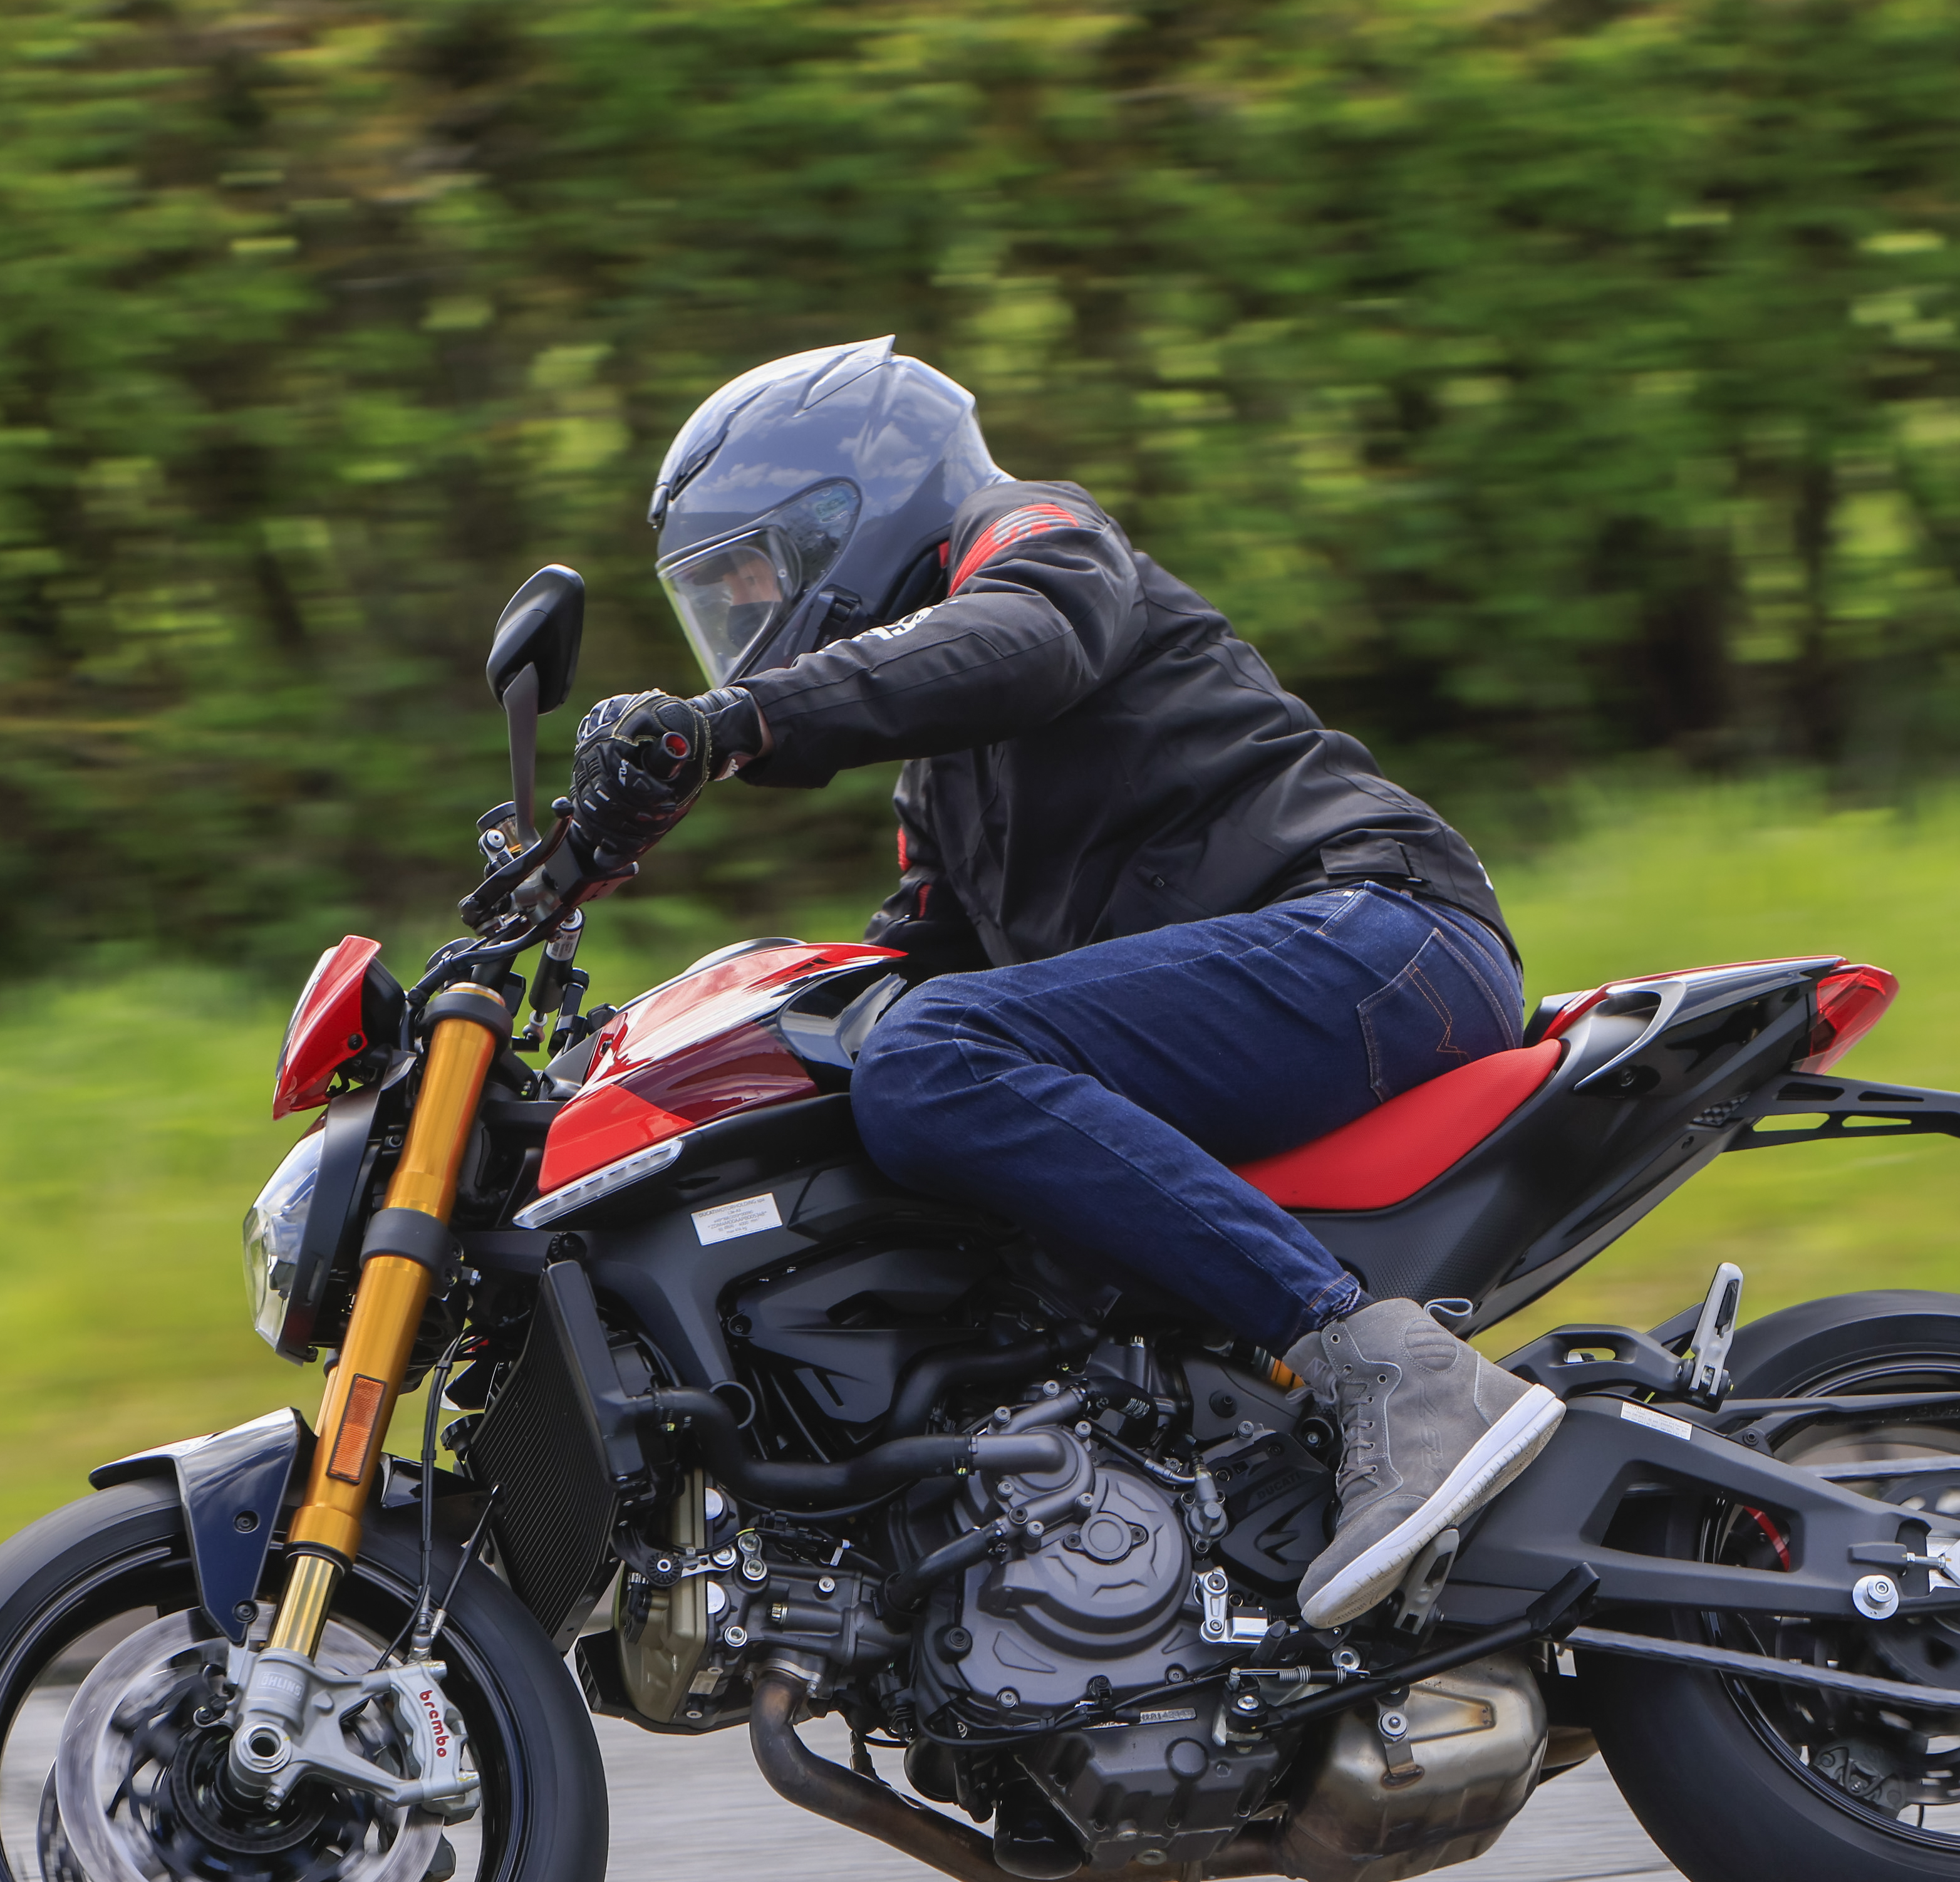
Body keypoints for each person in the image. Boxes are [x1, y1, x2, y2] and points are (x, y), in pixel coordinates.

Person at [564, 338, 1561, 1628]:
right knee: (874, 1082)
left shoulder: (1034, 537)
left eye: (758, 569)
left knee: (934, 1061)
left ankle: (1392, 1373)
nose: (747, 613)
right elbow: (910, 952)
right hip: (1291, 988)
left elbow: (1024, 641)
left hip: (1377, 932)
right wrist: (632, 1049)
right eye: (724, 590)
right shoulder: (947, 780)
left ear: (853, 510)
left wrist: (737, 727)